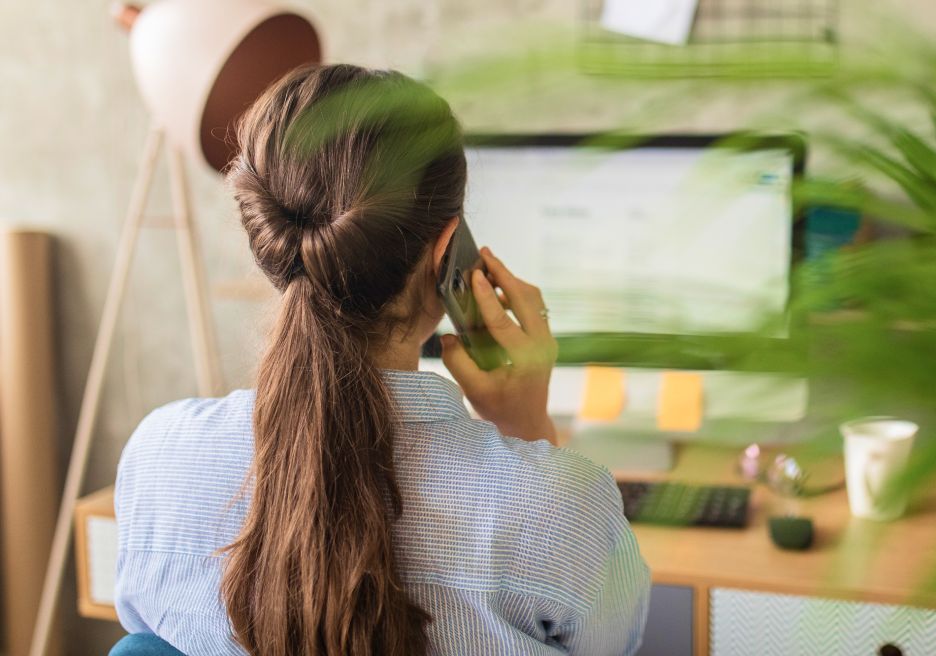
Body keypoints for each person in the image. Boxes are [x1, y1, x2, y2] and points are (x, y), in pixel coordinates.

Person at [114, 63, 650, 656]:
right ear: (448, 255)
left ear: (268, 241)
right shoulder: (556, 506)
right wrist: (527, 430)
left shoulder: (158, 457)